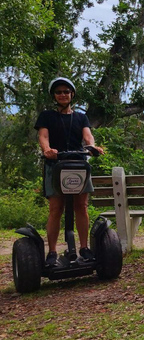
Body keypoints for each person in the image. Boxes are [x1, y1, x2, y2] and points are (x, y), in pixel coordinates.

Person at [35, 78, 105, 267]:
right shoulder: (47, 116)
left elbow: (87, 135)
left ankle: (83, 248)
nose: (63, 94)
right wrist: (47, 150)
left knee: (81, 206)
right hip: (55, 165)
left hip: (78, 166)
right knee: (56, 209)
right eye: (59, 92)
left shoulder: (81, 116)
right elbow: (43, 136)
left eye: (66, 91)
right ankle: (51, 252)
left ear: (72, 94)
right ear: (54, 96)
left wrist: (92, 147)